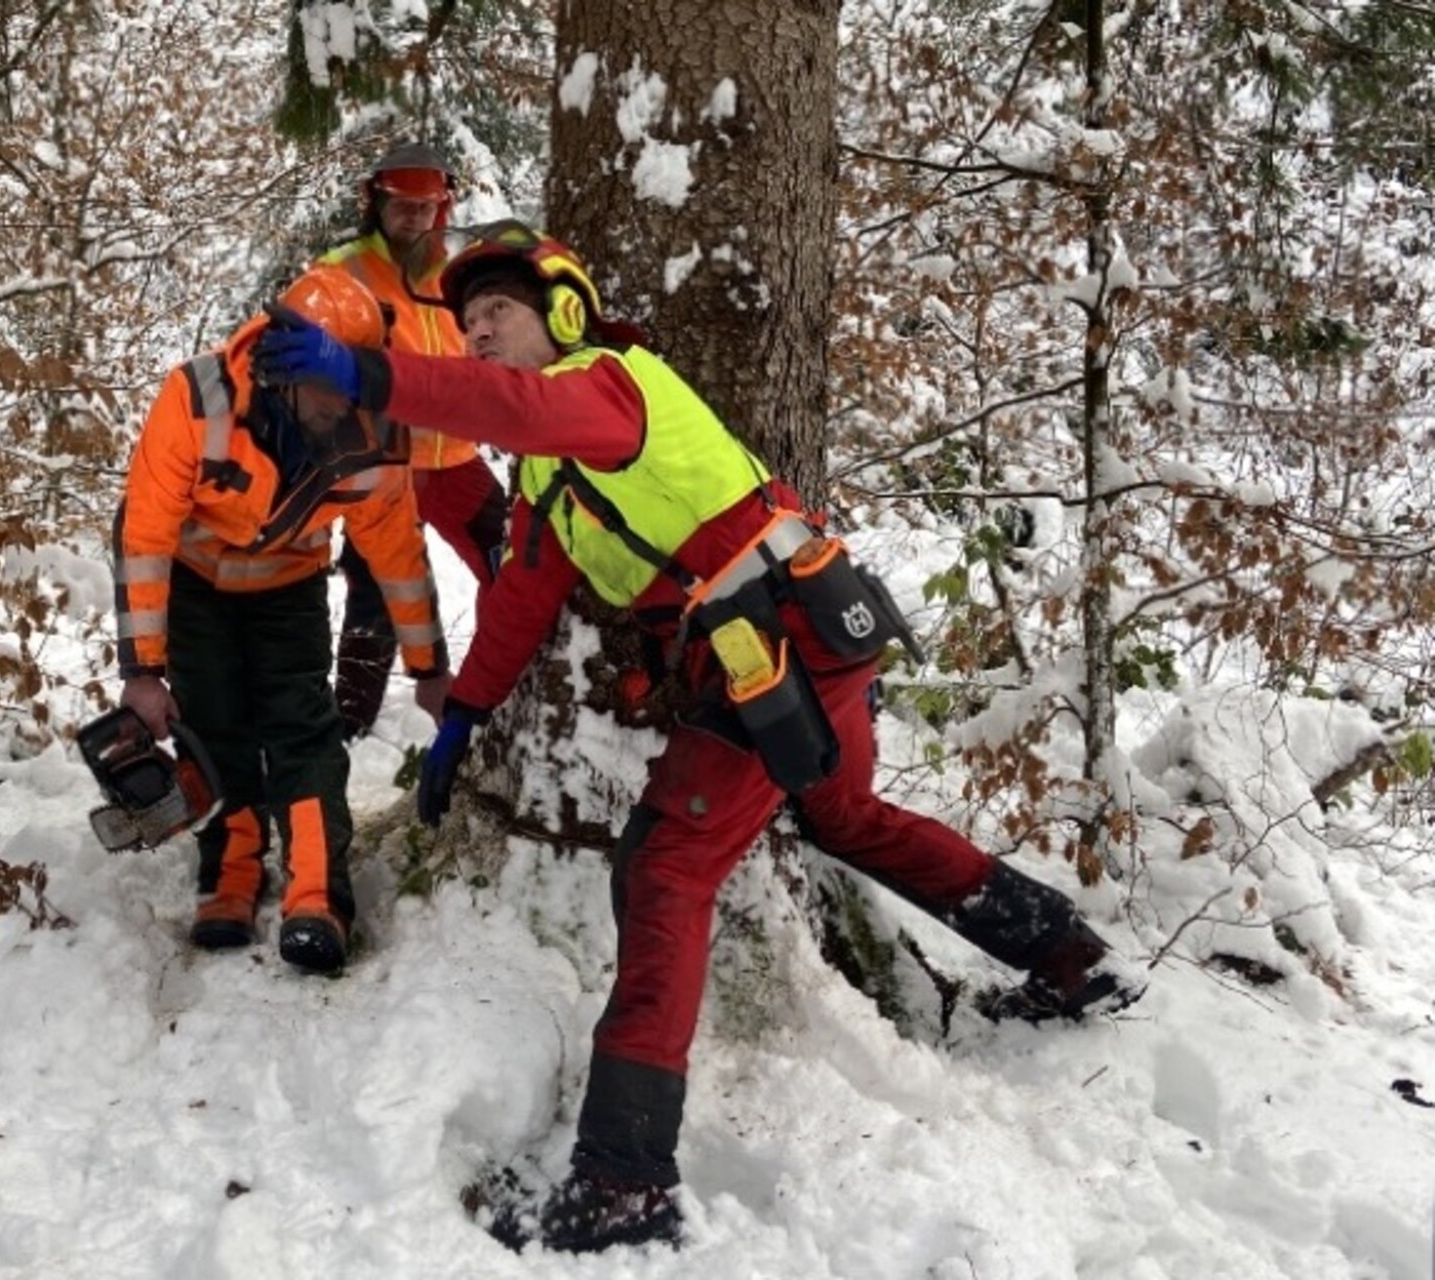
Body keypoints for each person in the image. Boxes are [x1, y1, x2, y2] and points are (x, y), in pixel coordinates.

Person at [255, 223, 1146, 1249]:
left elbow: (507, 404)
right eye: (465, 323)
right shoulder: (550, 472)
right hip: (798, 641)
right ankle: (1069, 951)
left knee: (666, 869)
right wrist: (462, 715)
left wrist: (363, 370)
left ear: (564, 313)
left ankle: (623, 1179)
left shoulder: (609, 384)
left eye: (498, 311)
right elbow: (523, 593)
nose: (479, 333)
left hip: (775, 650)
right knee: (845, 814)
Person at [112, 266, 451, 974]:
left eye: (354, 381)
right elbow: (145, 533)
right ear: (282, 370)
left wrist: (428, 667)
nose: (342, 404)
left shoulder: (374, 437)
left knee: (301, 727)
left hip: (289, 586)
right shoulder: (197, 399)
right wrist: (143, 671)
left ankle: (317, 896)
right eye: (330, 385)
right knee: (213, 725)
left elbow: (398, 555)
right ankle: (230, 877)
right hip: (196, 586)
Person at [316, 142, 508, 739]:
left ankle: (503, 687)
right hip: (383, 463)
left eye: (427, 207)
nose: (415, 217)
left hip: (455, 458)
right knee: (374, 595)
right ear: (375, 202)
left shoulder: (458, 270)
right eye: (403, 206)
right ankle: (350, 723)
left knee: (510, 565)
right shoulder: (341, 270)